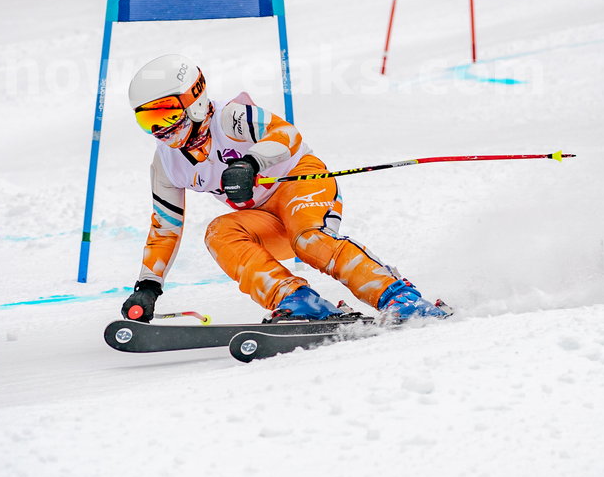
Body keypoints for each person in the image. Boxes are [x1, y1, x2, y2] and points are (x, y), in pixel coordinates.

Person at [120, 53, 451, 324]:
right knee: (219, 232)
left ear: (193, 100)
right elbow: (164, 228)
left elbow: (286, 134)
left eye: (165, 113)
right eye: (147, 120)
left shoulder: (229, 118)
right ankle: (299, 302)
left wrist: (250, 164)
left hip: (302, 183)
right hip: (262, 216)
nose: (159, 129)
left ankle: (400, 298)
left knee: (309, 240)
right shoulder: (166, 163)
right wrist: (149, 286)